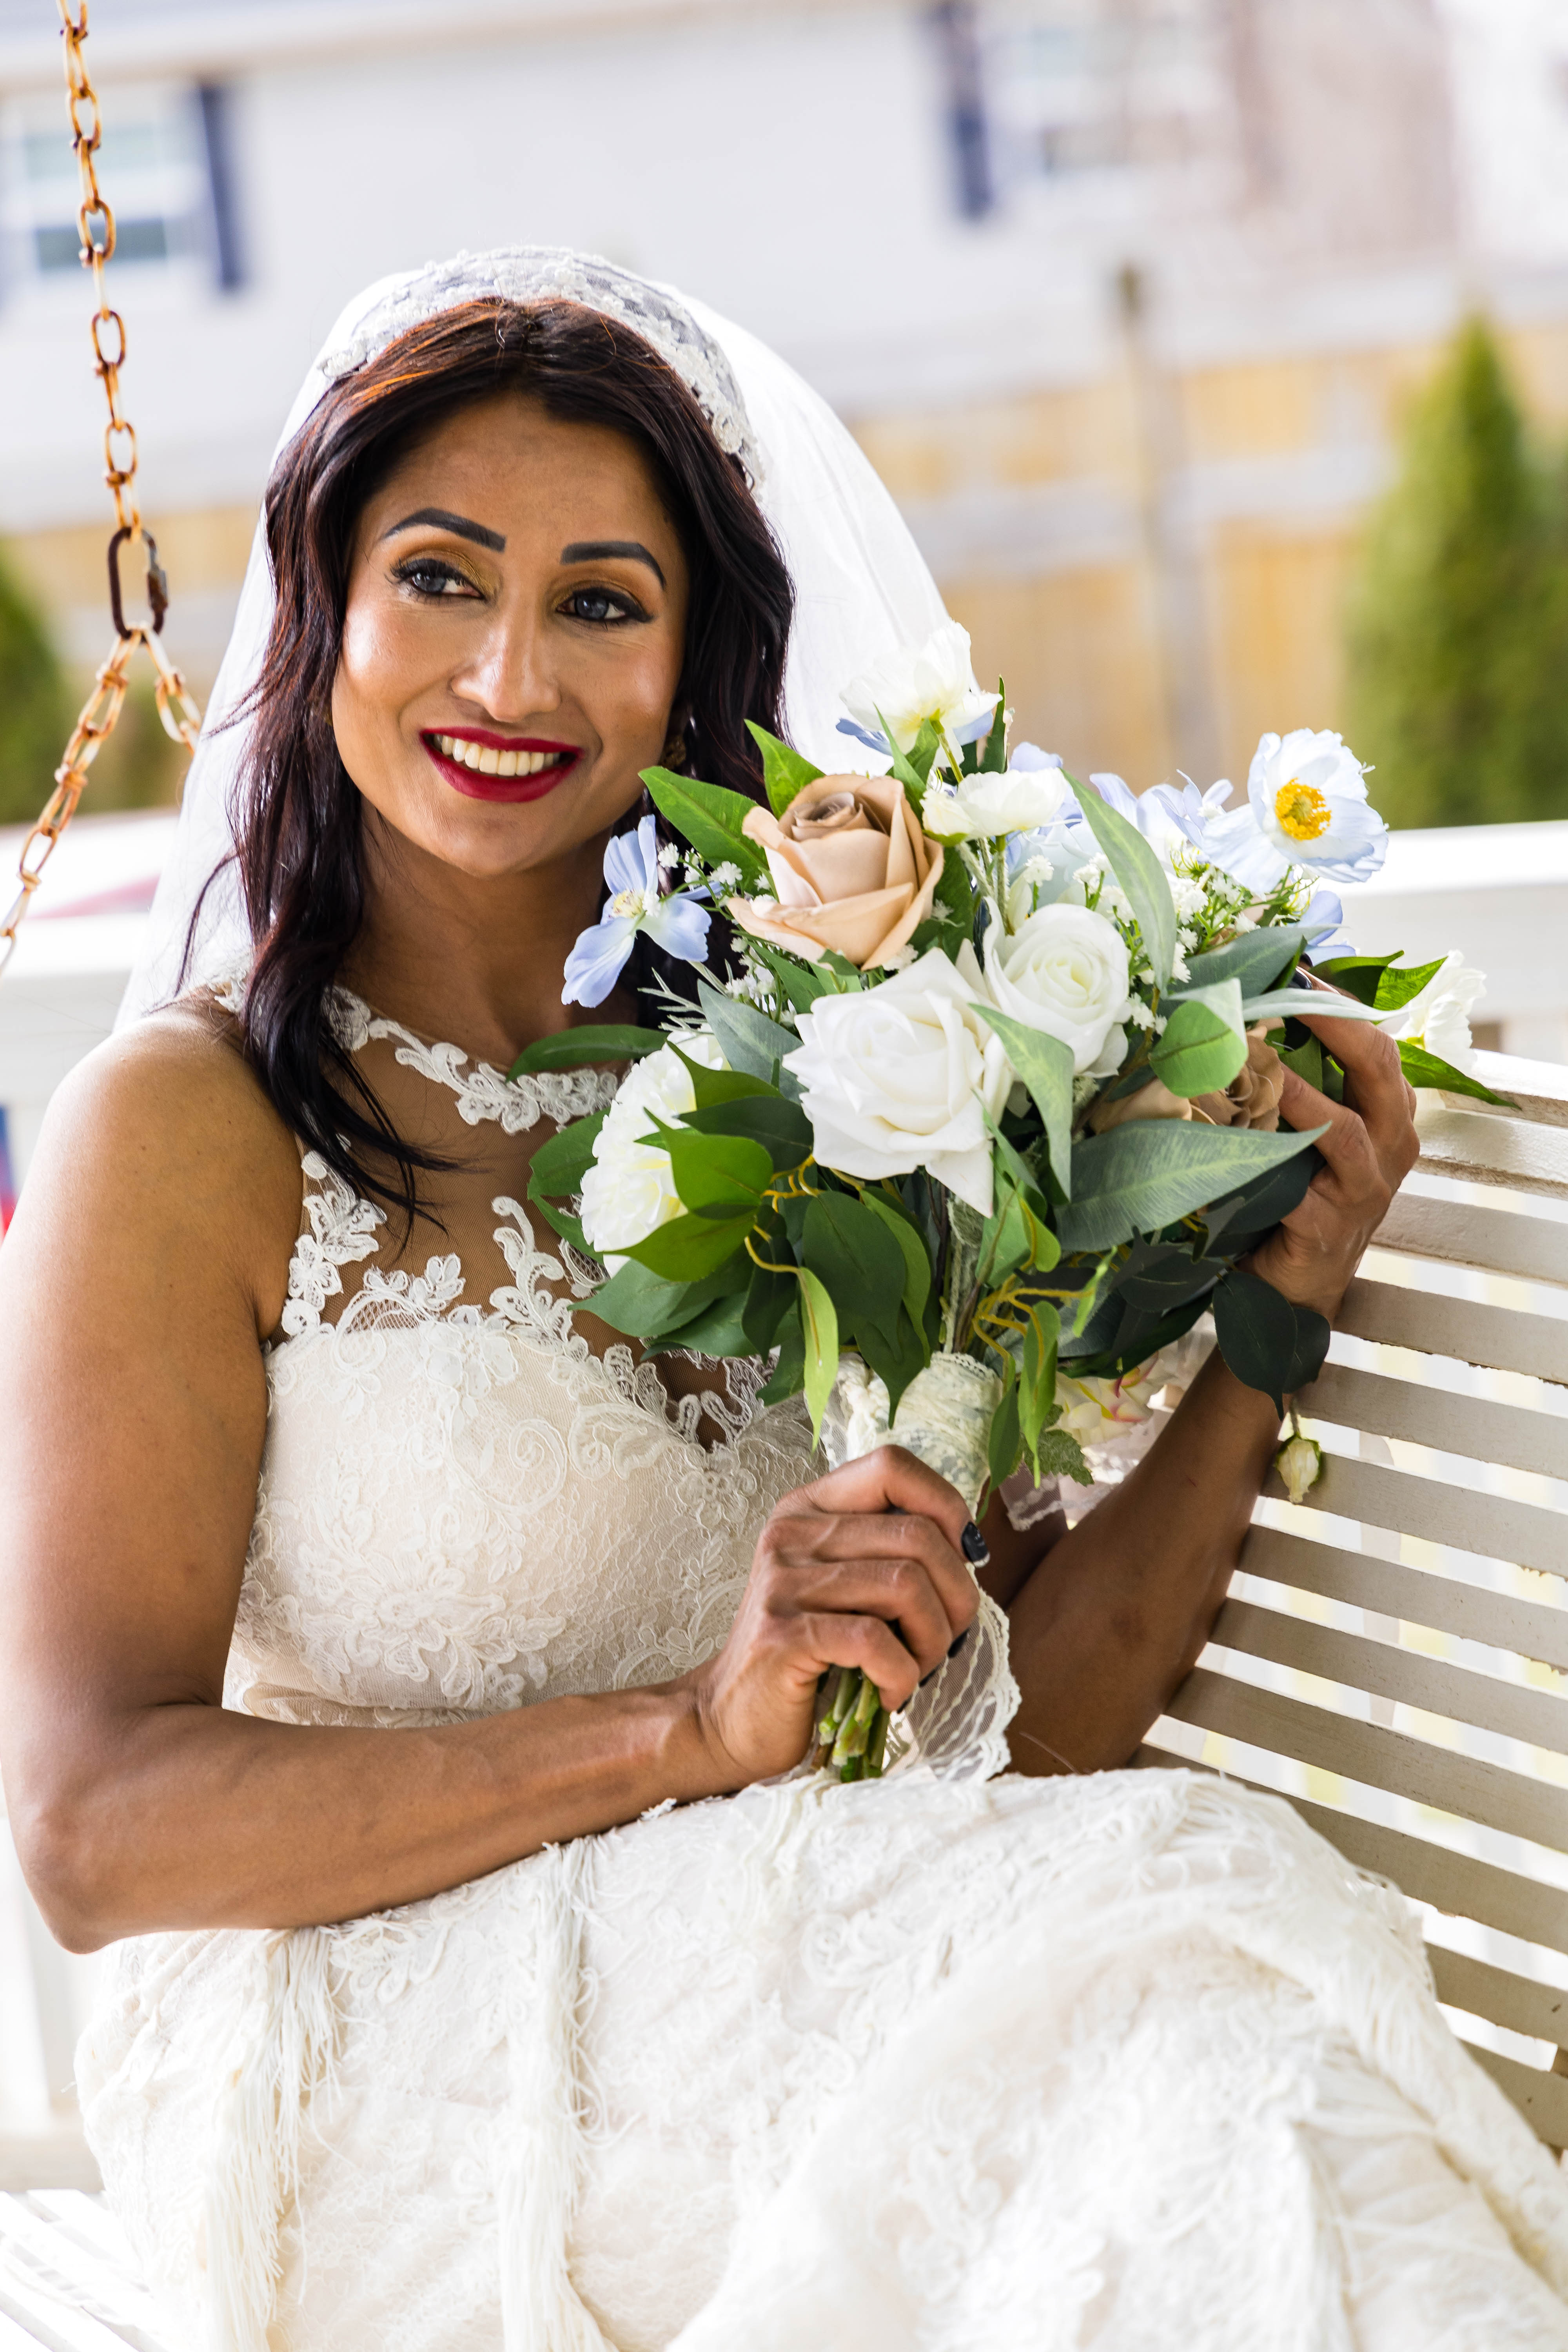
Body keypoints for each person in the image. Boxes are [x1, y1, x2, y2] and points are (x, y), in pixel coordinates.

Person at [0, 250, 1564, 2352]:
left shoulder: (836, 1069)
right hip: (357, 2050)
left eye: (602, 602)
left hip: (804, 1946)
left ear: (692, 658)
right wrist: (682, 1738)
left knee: (1190, 1975)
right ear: (324, 612)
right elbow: (96, 1831)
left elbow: (1029, 1737)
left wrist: (1266, 1322)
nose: (513, 676)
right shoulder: (188, 1127)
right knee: (1181, 1965)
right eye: (442, 579)